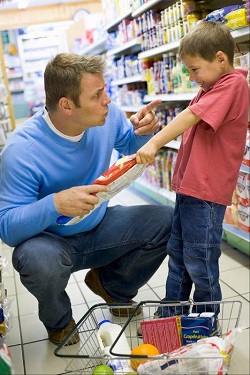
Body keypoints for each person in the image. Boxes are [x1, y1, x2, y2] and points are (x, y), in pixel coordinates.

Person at [0, 53, 174, 346]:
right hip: (50, 242)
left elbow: (128, 143)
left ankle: (111, 286)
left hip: (100, 226)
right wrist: (54, 204)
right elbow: (6, 227)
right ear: (67, 105)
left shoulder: (107, 116)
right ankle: (59, 321)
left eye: (104, 91)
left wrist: (144, 132)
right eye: (97, 95)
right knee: (35, 260)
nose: (107, 100)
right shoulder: (21, 151)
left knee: (168, 220)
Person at [136, 21, 249, 318]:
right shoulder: (211, 85)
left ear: (221, 59)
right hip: (189, 187)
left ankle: (204, 320)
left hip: (207, 192)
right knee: (178, 253)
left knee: (200, 260)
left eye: (194, 69)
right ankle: (171, 313)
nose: (191, 76)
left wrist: (155, 143)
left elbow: (190, 116)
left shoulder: (233, 84)